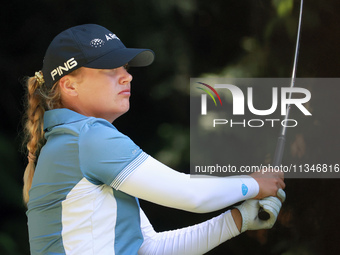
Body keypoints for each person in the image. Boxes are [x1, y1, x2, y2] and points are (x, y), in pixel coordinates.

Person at [23, 24, 285, 255]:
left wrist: (240, 219)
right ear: (70, 86)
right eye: (109, 69)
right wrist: (254, 184)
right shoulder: (88, 138)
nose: (127, 76)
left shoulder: (74, 140)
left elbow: (151, 248)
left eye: (124, 67)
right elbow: (191, 195)